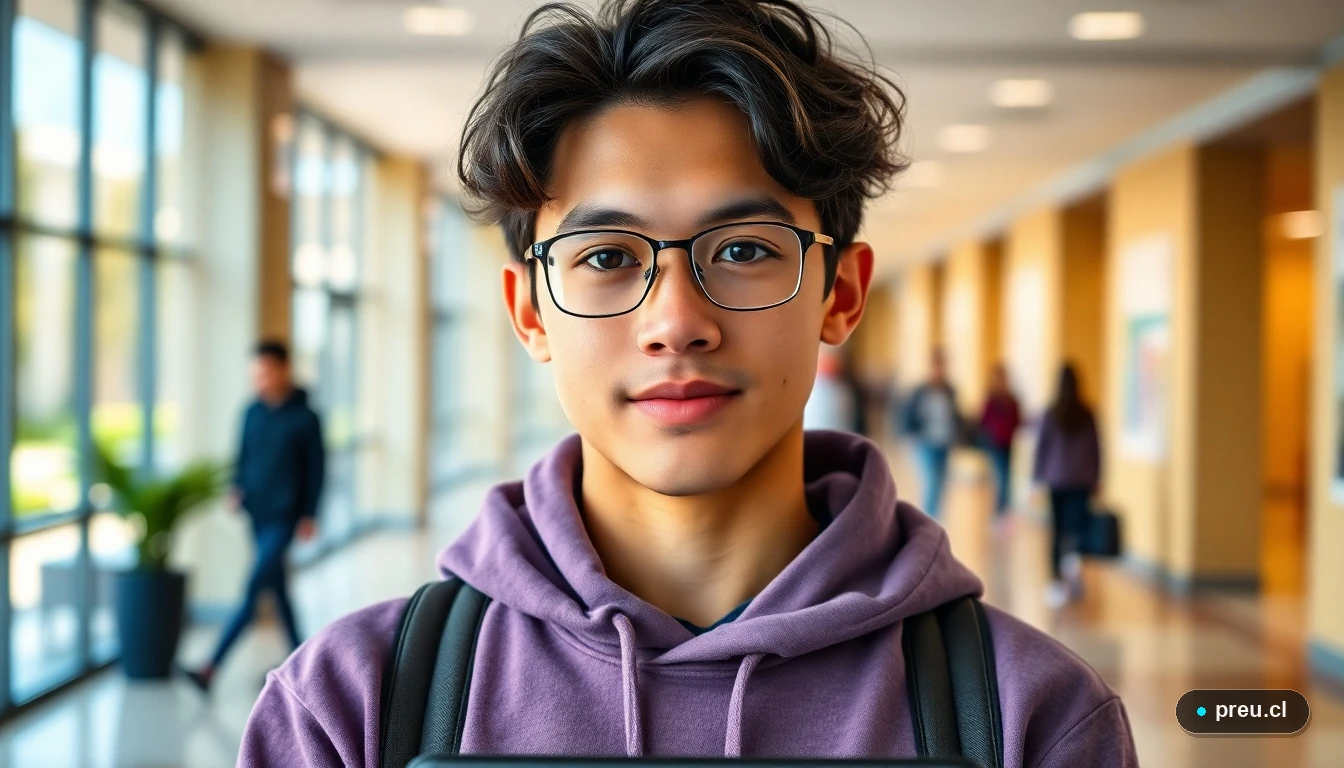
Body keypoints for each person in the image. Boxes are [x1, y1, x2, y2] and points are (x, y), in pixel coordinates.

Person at [240, 1, 1135, 764]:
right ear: (529, 312)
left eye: (743, 250)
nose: (675, 321)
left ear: (842, 293)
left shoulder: (1028, 720)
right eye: (606, 257)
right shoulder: (350, 709)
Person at [184, 340, 324, 694]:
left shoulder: (306, 418)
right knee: (277, 591)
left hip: (286, 516)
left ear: (283, 369)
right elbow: (244, 456)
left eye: (265, 372)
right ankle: (306, 663)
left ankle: (210, 667)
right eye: (255, 374)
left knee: (254, 588)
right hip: (256, 514)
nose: (259, 380)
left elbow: (316, 470)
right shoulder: (251, 411)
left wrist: (309, 513)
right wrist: (237, 487)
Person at [1033, 363, 1102, 609]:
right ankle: (1072, 564)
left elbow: (1041, 447)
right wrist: (1097, 478)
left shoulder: (1051, 413)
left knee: (1057, 530)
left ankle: (1055, 583)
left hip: (1057, 480)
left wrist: (1036, 478)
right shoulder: (1088, 413)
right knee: (1076, 529)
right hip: (1082, 479)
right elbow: (1096, 449)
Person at [899, 349, 962, 518]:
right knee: (931, 479)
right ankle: (928, 517)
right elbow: (908, 414)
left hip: (944, 441)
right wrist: (908, 435)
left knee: (942, 480)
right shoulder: (920, 391)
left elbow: (955, 416)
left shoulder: (949, 390)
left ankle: (936, 515)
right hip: (925, 441)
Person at [979, 363, 1022, 522]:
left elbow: (1018, 420)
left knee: (1007, 477)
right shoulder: (991, 399)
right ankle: (999, 511)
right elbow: (982, 421)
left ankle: (1003, 510)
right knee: (1001, 477)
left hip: (1008, 444)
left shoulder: (1011, 400)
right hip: (994, 444)